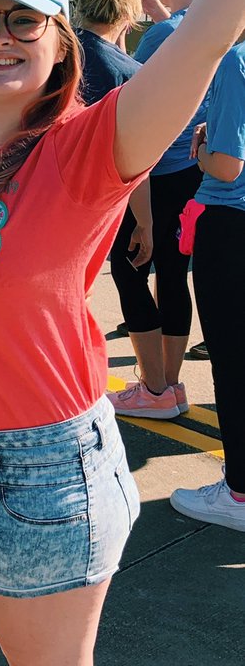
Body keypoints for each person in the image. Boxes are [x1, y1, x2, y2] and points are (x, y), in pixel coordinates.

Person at [0, 0, 245, 666]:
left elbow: (207, 33)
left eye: (27, 20)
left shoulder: (87, 147)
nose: (1, 36)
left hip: (43, 472)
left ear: (60, 41)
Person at [109, 0, 229, 418]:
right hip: (193, 174)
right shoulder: (211, 28)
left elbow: (131, 99)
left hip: (155, 173)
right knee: (174, 275)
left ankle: (154, 389)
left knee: (131, 270)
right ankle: (170, 386)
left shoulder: (162, 34)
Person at [73, 0, 169, 402]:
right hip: (110, 200)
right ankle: (156, 385)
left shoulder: (57, 53)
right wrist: (146, 223)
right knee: (130, 283)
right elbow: (137, 161)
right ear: (128, 10)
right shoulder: (130, 73)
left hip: (52, 194)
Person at [170, 39, 245, 531]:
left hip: (231, 225)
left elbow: (227, 164)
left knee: (233, 360)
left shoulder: (236, 60)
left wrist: (201, 149)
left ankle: (238, 493)